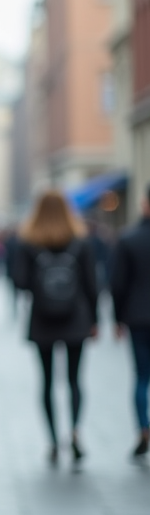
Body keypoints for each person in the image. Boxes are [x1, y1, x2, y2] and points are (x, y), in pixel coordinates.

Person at [11, 190, 99, 464]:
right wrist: (95, 320)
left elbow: (20, 281)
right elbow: (92, 285)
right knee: (74, 380)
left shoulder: (29, 243)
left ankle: (52, 442)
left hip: (42, 319)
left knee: (47, 382)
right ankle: (74, 433)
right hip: (76, 318)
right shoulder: (80, 242)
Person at [110, 184, 150, 458]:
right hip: (137, 316)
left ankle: (143, 429)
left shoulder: (128, 239)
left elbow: (117, 284)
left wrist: (117, 319)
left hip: (138, 317)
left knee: (142, 376)